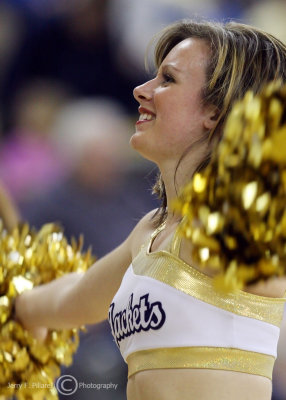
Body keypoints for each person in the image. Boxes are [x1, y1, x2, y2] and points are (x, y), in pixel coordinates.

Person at [15, 20, 286, 400]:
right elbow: (73, 298)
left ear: (215, 111)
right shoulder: (151, 232)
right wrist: (16, 306)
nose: (141, 91)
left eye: (167, 80)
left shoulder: (235, 223)